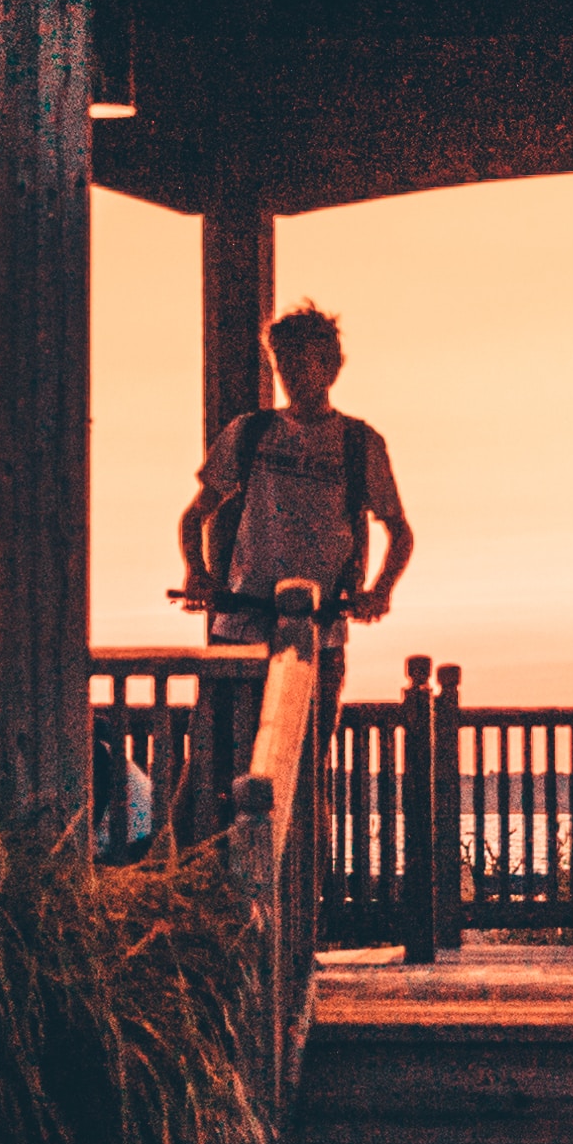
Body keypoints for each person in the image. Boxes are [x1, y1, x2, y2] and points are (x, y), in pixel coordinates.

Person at [175, 305, 410, 858]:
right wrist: (198, 573)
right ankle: (194, 890)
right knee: (209, 766)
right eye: (281, 363)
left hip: (317, 640)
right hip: (239, 629)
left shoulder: (358, 443)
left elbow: (399, 531)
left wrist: (379, 591)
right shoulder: (250, 432)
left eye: (301, 362)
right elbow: (195, 515)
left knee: (301, 775)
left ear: (330, 366)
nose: (290, 375)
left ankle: (298, 913)